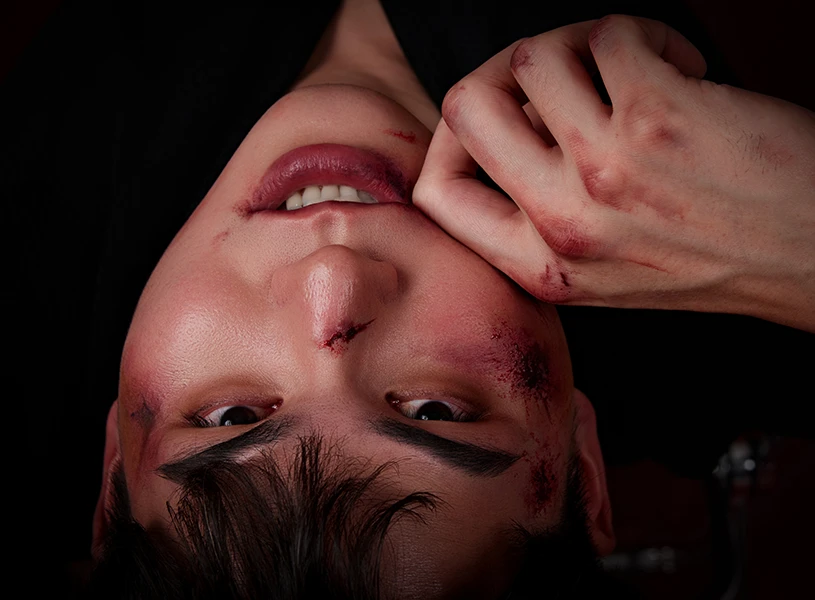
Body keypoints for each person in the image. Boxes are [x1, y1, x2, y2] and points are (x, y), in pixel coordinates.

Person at [7, 1, 812, 598]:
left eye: (230, 418)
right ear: (582, 466)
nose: (332, 276)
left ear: (112, 472)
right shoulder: (725, 330)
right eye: (435, 411)